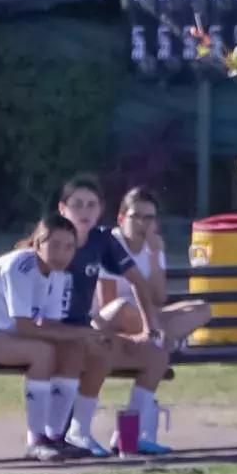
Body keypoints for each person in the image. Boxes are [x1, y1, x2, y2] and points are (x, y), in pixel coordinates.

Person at [0, 215, 111, 463]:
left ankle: (56, 438)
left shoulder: (60, 275)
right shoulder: (20, 266)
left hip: (5, 333)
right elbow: (25, 328)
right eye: (54, 245)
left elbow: (51, 326)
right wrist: (85, 332)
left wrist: (83, 337)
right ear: (38, 243)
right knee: (41, 352)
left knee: (73, 350)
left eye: (69, 247)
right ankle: (36, 441)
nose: (62, 253)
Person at [54, 178, 174, 455]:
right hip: (55, 330)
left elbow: (140, 284)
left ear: (100, 210)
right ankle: (78, 432)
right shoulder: (54, 239)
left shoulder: (102, 241)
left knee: (156, 355)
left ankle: (132, 437)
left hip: (86, 330)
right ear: (63, 209)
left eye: (91, 205)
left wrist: (149, 330)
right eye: (77, 205)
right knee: (101, 349)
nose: (84, 211)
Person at [95, 187, 214, 355]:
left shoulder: (154, 246)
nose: (142, 223)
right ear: (121, 219)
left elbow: (159, 298)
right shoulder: (110, 245)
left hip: (149, 317)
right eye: (135, 217)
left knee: (202, 309)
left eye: (148, 218)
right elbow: (107, 303)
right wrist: (147, 319)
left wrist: (154, 256)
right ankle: (162, 338)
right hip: (110, 318)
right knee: (120, 307)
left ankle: (154, 337)